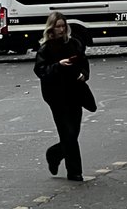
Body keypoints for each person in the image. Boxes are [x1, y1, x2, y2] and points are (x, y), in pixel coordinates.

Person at [33, 12, 90, 182]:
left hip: (75, 92)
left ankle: (55, 153)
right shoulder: (46, 48)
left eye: (63, 26)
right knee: (68, 133)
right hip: (56, 96)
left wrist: (84, 74)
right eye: (57, 26)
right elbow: (41, 70)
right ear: (51, 28)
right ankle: (75, 172)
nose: (61, 29)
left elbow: (83, 62)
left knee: (73, 133)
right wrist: (58, 65)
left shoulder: (74, 44)